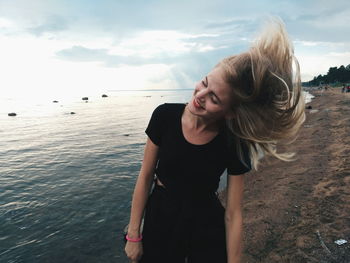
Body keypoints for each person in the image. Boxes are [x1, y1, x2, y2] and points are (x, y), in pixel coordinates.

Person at [124, 17, 305, 263]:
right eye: (204, 83)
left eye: (214, 99)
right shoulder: (164, 116)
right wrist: (134, 235)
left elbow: (233, 213)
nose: (200, 95)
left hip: (205, 221)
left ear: (230, 112)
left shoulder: (234, 141)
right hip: (161, 215)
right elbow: (145, 177)